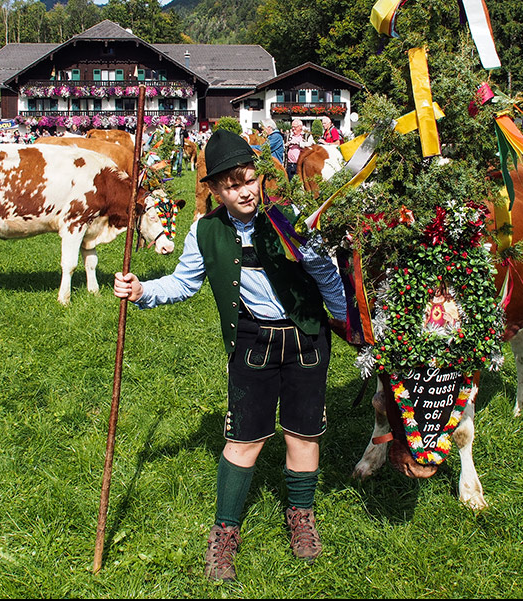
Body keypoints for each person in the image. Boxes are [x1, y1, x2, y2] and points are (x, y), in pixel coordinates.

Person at [113, 129, 348, 582]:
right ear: (215, 189)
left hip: (306, 340)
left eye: (249, 180)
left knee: (303, 435)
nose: (245, 191)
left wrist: (347, 324)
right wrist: (142, 290)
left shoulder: (287, 218)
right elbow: (184, 282)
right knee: (244, 440)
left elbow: (323, 271)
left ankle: (301, 515)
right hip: (251, 346)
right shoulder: (205, 230)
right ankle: (225, 530)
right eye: (232, 184)